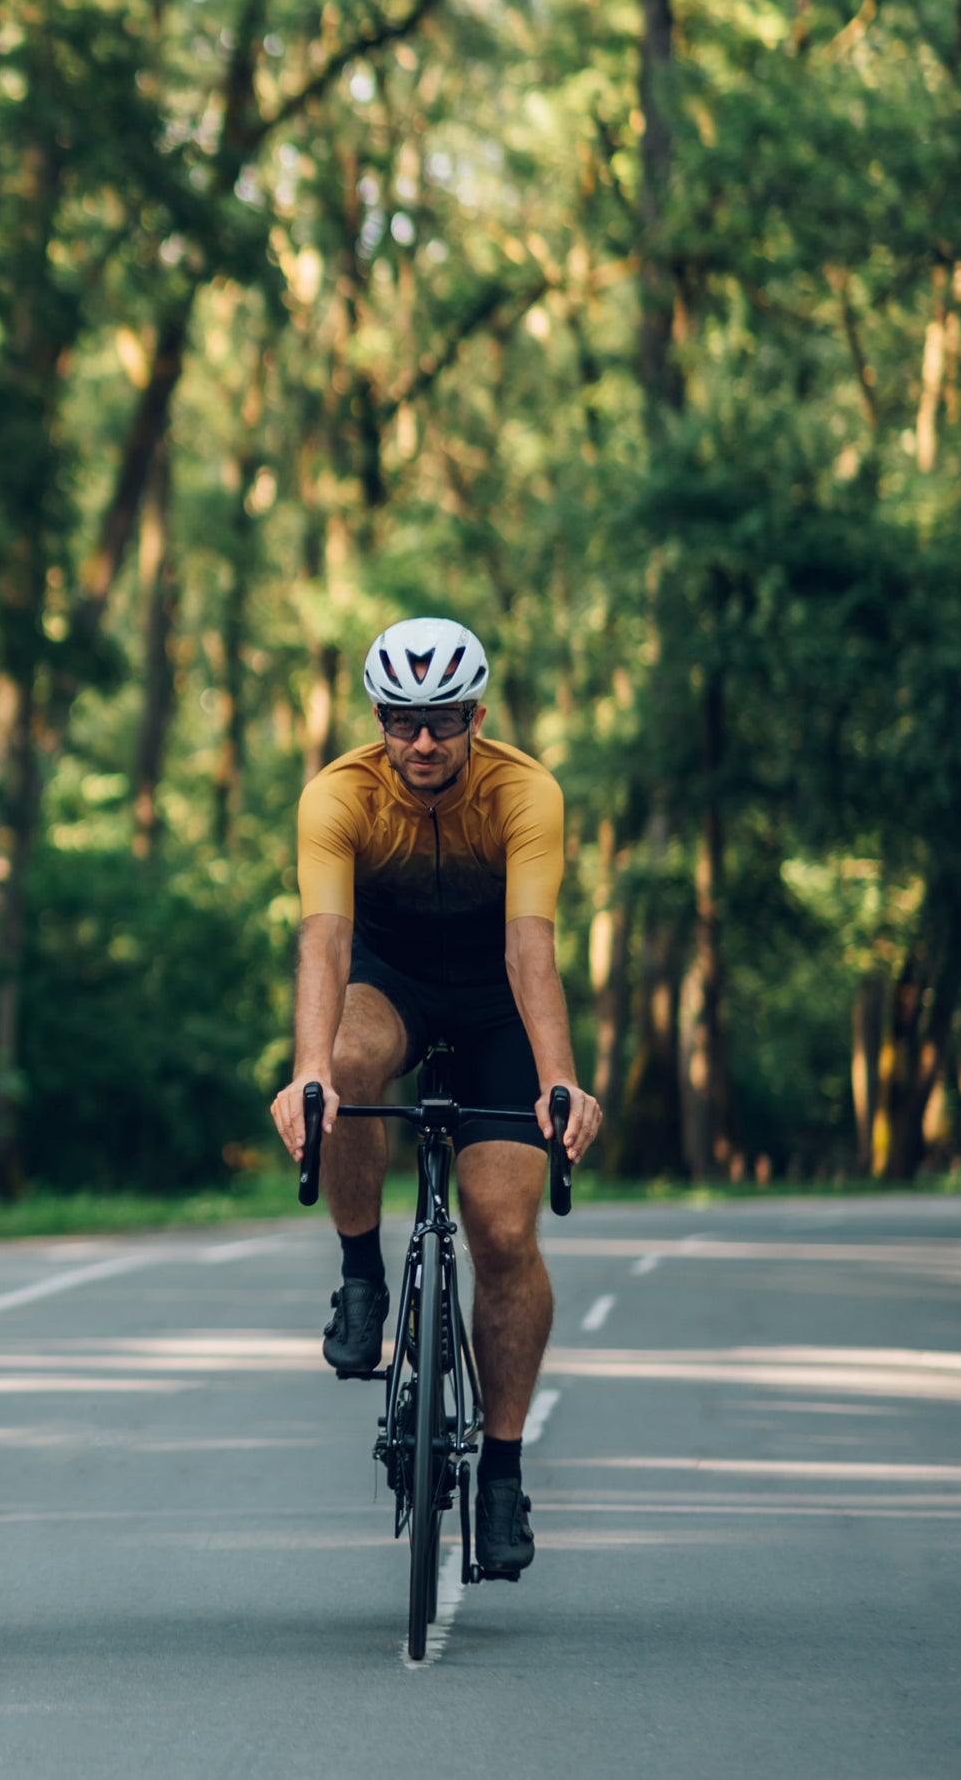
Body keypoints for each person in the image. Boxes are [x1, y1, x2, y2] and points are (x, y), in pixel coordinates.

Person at [268, 617, 602, 1578]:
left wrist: (557, 1083)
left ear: (476, 715)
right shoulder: (338, 794)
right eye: (404, 720)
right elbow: (326, 942)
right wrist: (310, 1073)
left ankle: (502, 1472)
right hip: (392, 980)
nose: (423, 741)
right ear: (379, 717)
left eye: (444, 720)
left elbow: (528, 948)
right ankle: (361, 1274)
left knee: (501, 1228)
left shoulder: (525, 790)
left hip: (499, 1000)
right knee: (348, 1061)